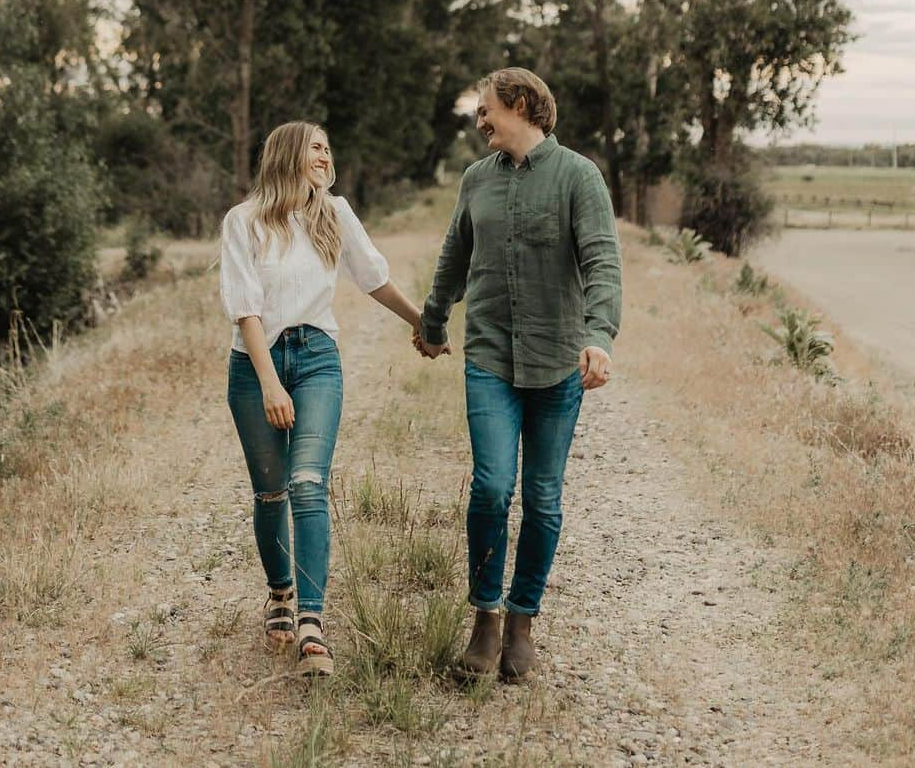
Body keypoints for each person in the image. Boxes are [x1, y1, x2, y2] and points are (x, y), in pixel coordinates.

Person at [416, 68, 621, 683]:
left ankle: (522, 621)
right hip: (489, 358)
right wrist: (432, 319)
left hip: (557, 360)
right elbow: (456, 252)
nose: (478, 121)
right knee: (491, 487)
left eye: (486, 110)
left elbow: (602, 260)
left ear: (523, 105)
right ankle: (485, 617)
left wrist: (598, 335)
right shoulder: (477, 179)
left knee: (543, 497)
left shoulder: (579, 176)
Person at [220, 121, 423, 677]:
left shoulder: (333, 212)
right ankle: (280, 594)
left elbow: (373, 277)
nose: (325, 154)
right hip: (254, 366)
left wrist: (424, 323)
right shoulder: (244, 221)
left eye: (328, 148)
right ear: (288, 153)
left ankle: (312, 622)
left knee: (308, 482)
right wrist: (268, 382)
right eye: (316, 145)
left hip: (317, 361)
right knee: (270, 494)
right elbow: (246, 309)